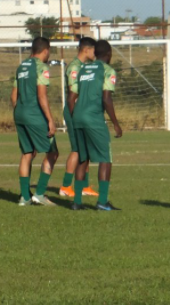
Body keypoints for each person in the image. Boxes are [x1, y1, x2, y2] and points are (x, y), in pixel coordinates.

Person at [68, 40, 123, 211]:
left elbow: (71, 98)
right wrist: (116, 123)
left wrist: (75, 117)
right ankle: (103, 202)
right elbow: (106, 98)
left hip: (78, 116)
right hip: (94, 117)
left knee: (83, 159)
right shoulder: (107, 70)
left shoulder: (82, 69)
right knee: (105, 158)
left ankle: (77, 202)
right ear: (108, 54)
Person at [12, 37, 60, 206]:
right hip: (34, 115)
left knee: (27, 154)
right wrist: (50, 120)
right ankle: (39, 194)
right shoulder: (41, 67)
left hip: (19, 114)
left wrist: (21, 112)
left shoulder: (21, 67)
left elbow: (13, 96)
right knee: (52, 152)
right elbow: (41, 96)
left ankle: (24, 197)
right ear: (45, 50)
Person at [58, 36, 100, 200]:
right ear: (87, 49)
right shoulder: (75, 68)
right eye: (94, 50)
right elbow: (73, 94)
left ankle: (84, 186)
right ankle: (66, 186)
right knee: (77, 149)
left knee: (86, 149)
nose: (95, 54)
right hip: (74, 111)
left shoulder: (85, 66)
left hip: (83, 112)